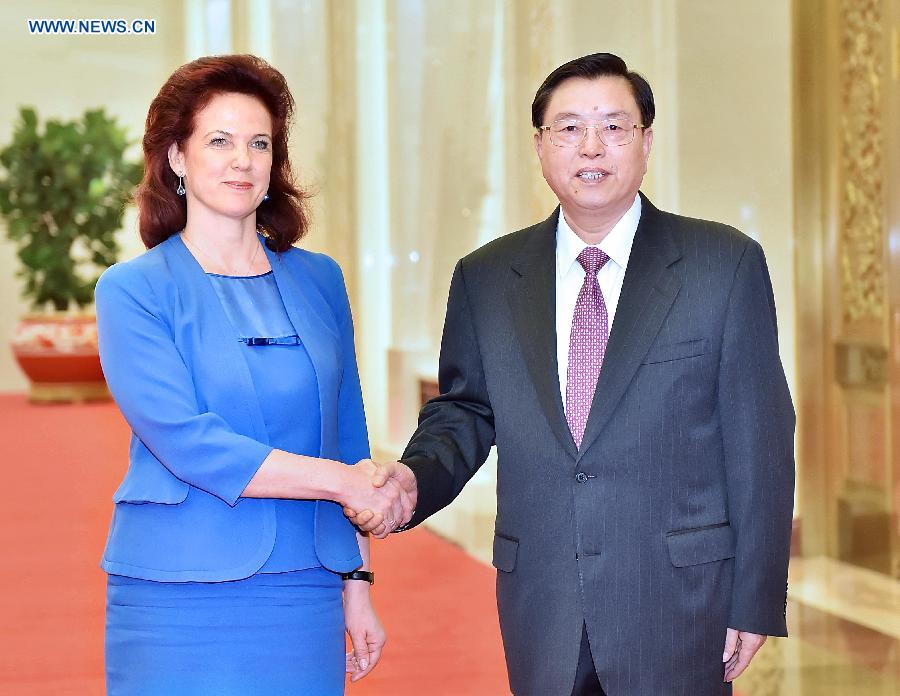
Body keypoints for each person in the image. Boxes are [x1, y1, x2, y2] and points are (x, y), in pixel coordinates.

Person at [347, 53, 795, 695]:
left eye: (615, 127)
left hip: (677, 602)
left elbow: (761, 443)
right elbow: (466, 412)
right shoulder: (488, 279)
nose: (592, 147)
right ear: (540, 147)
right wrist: (414, 479)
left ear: (646, 142)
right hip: (544, 599)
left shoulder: (720, 266)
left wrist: (753, 599)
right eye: (569, 128)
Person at [95, 54, 413, 695]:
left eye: (259, 143)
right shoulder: (132, 291)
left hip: (304, 590)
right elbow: (189, 441)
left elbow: (345, 432)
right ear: (178, 159)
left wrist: (357, 584)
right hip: (177, 592)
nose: (242, 159)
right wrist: (346, 483)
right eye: (219, 140)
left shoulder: (320, 279)